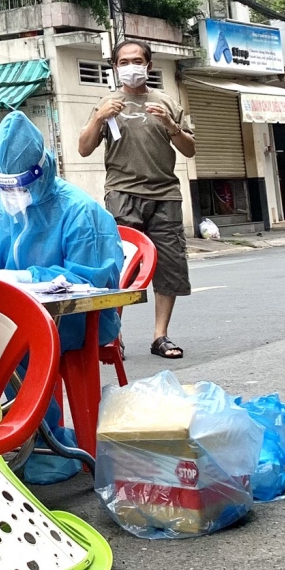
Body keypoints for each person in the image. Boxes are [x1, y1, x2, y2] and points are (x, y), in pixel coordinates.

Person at [0, 111, 122, 481]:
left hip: (75, 323)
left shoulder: (79, 210)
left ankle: (42, 444)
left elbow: (93, 279)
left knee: (19, 348)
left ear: (40, 172)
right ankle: (6, 439)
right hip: (9, 321)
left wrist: (28, 277)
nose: (8, 197)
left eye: (15, 187)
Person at [77, 36, 195, 359]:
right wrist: (99, 117)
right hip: (122, 195)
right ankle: (114, 337)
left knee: (169, 266)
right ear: (115, 68)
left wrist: (171, 125)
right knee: (120, 268)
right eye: (124, 62)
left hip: (165, 194)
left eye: (136, 61)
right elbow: (83, 148)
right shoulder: (106, 104)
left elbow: (189, 149)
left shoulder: (167, 102)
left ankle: (161, 336)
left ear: (149, 66)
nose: (131, 67)